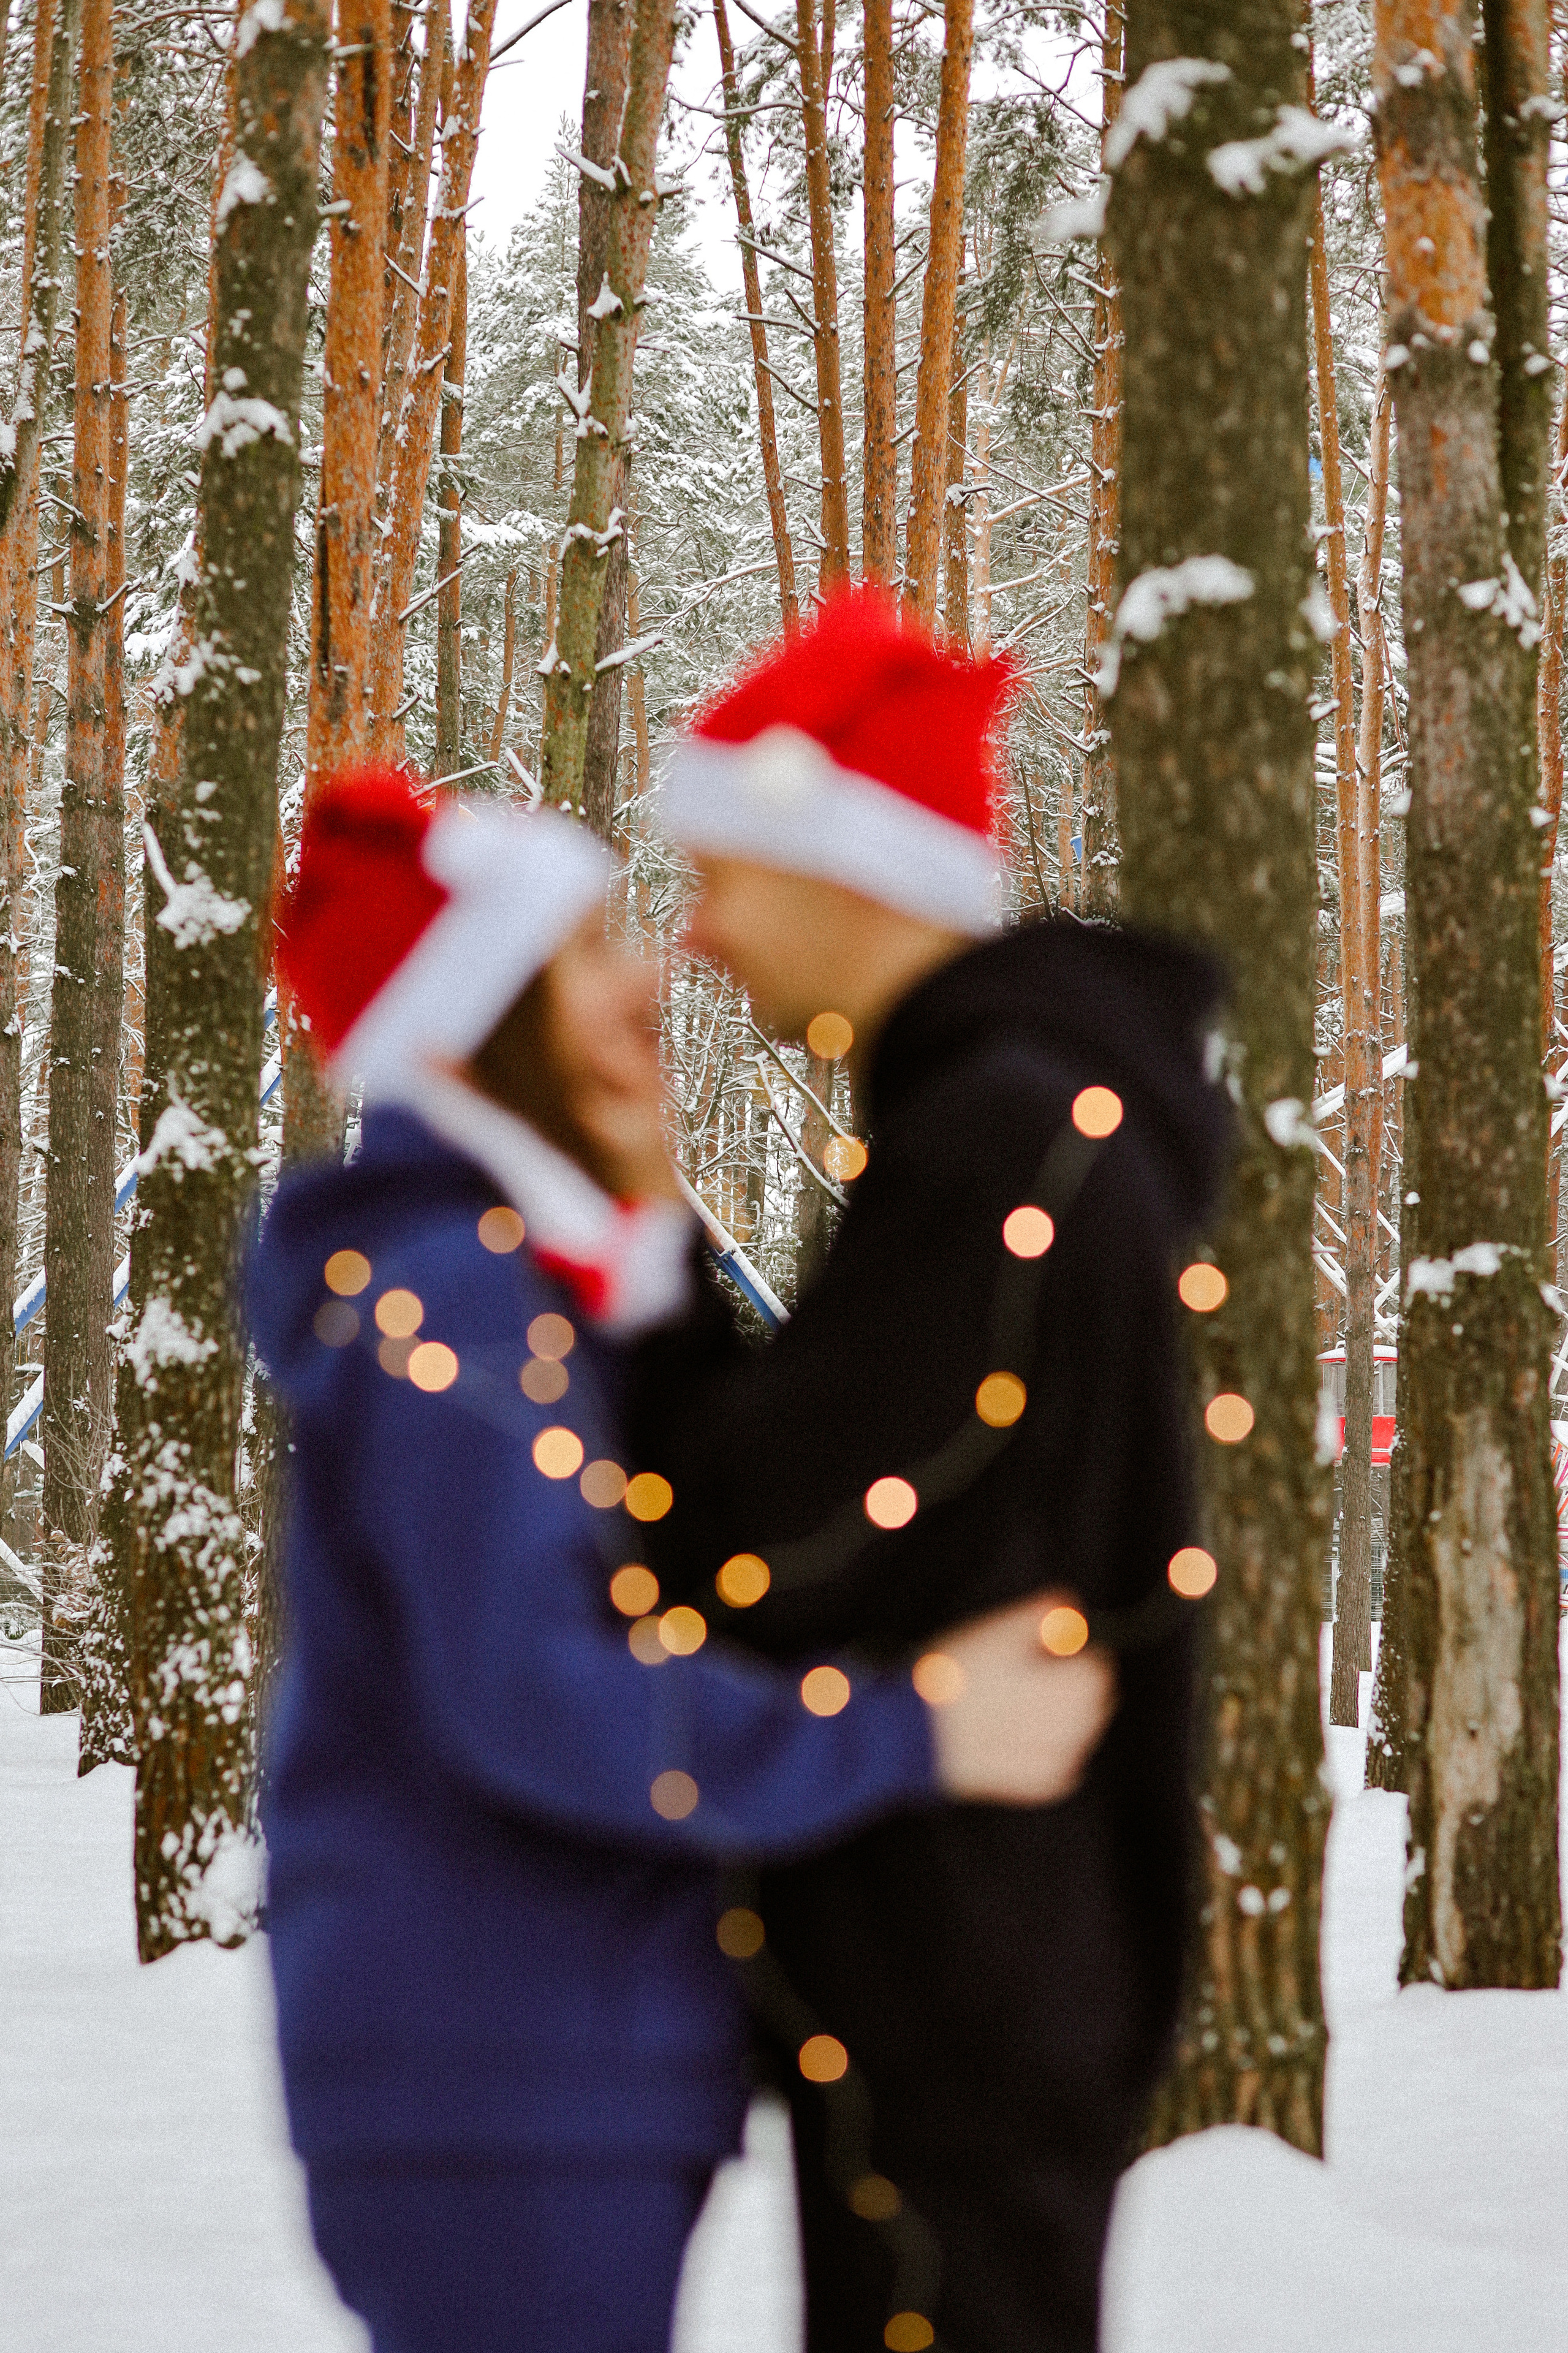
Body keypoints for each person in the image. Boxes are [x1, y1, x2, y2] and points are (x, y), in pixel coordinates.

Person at [247, 763, 1117, 2353]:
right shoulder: (453, 1300)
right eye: (588, 951)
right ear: (475, 1022)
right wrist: (915, 1724)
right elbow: (537, 1695)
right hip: (500, 2075)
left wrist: (646, 1247)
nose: (649, 976)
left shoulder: (495, 1286)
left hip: (529, 2069)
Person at [626, 588, 1233, 2353]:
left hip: (964, 1980)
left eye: (726, 874)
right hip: (979, 1973)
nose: (705, 939)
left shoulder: (1002, 1138)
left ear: (850, 871)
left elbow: (769, 1532)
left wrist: (647, 1261)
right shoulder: (1014, 1113)